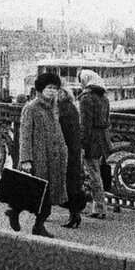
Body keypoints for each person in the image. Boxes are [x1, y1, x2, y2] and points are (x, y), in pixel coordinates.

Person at [5, 72, 68, 238]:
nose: (52, 91)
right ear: (41, 89)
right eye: (49, 88)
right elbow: (24, 135)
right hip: (39, 158)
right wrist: (26, 159)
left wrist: (63, 150)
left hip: (54, 158)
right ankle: (26, 219)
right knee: (38, 192)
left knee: (44, 194)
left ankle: (22, 216)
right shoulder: (30, 108)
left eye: (55, 88)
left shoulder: (54, 107)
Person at [78, 69, 112, 219]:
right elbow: (108, 120)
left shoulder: (86, 97)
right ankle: (98, 207)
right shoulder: (104, 96)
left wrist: (82, 145)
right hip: (103, 139)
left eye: (81, 81)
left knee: (93, 174)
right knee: (97, 173)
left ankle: (100, 207)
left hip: (92, 140)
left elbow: (85, 124)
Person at [56, 87, 86, 229]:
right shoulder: (73, 108)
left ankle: (74, 215)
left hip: (66, 152)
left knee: (68, 185)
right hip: (74, 151)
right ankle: (74, 215)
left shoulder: (62, 111)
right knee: (72, 184)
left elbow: (61, 133)